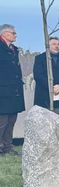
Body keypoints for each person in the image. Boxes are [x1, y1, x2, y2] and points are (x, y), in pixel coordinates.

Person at [0, 24, 24, 156]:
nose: (15, 35)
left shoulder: (14, 49)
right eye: (13, 33)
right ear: (4, 34)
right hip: (2, 90)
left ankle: (7, 147)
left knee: (12, 119)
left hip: (14, 91)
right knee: (2, 120)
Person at [33, 37, 59, 114]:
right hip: (43, 97)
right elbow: (38, 76)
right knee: (43, 123)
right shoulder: (40, 58)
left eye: (58, 44)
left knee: (57, 121)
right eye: (54, 44)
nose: (57, 46)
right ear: (48, 45)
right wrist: (51, 87)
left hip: (58, 97)